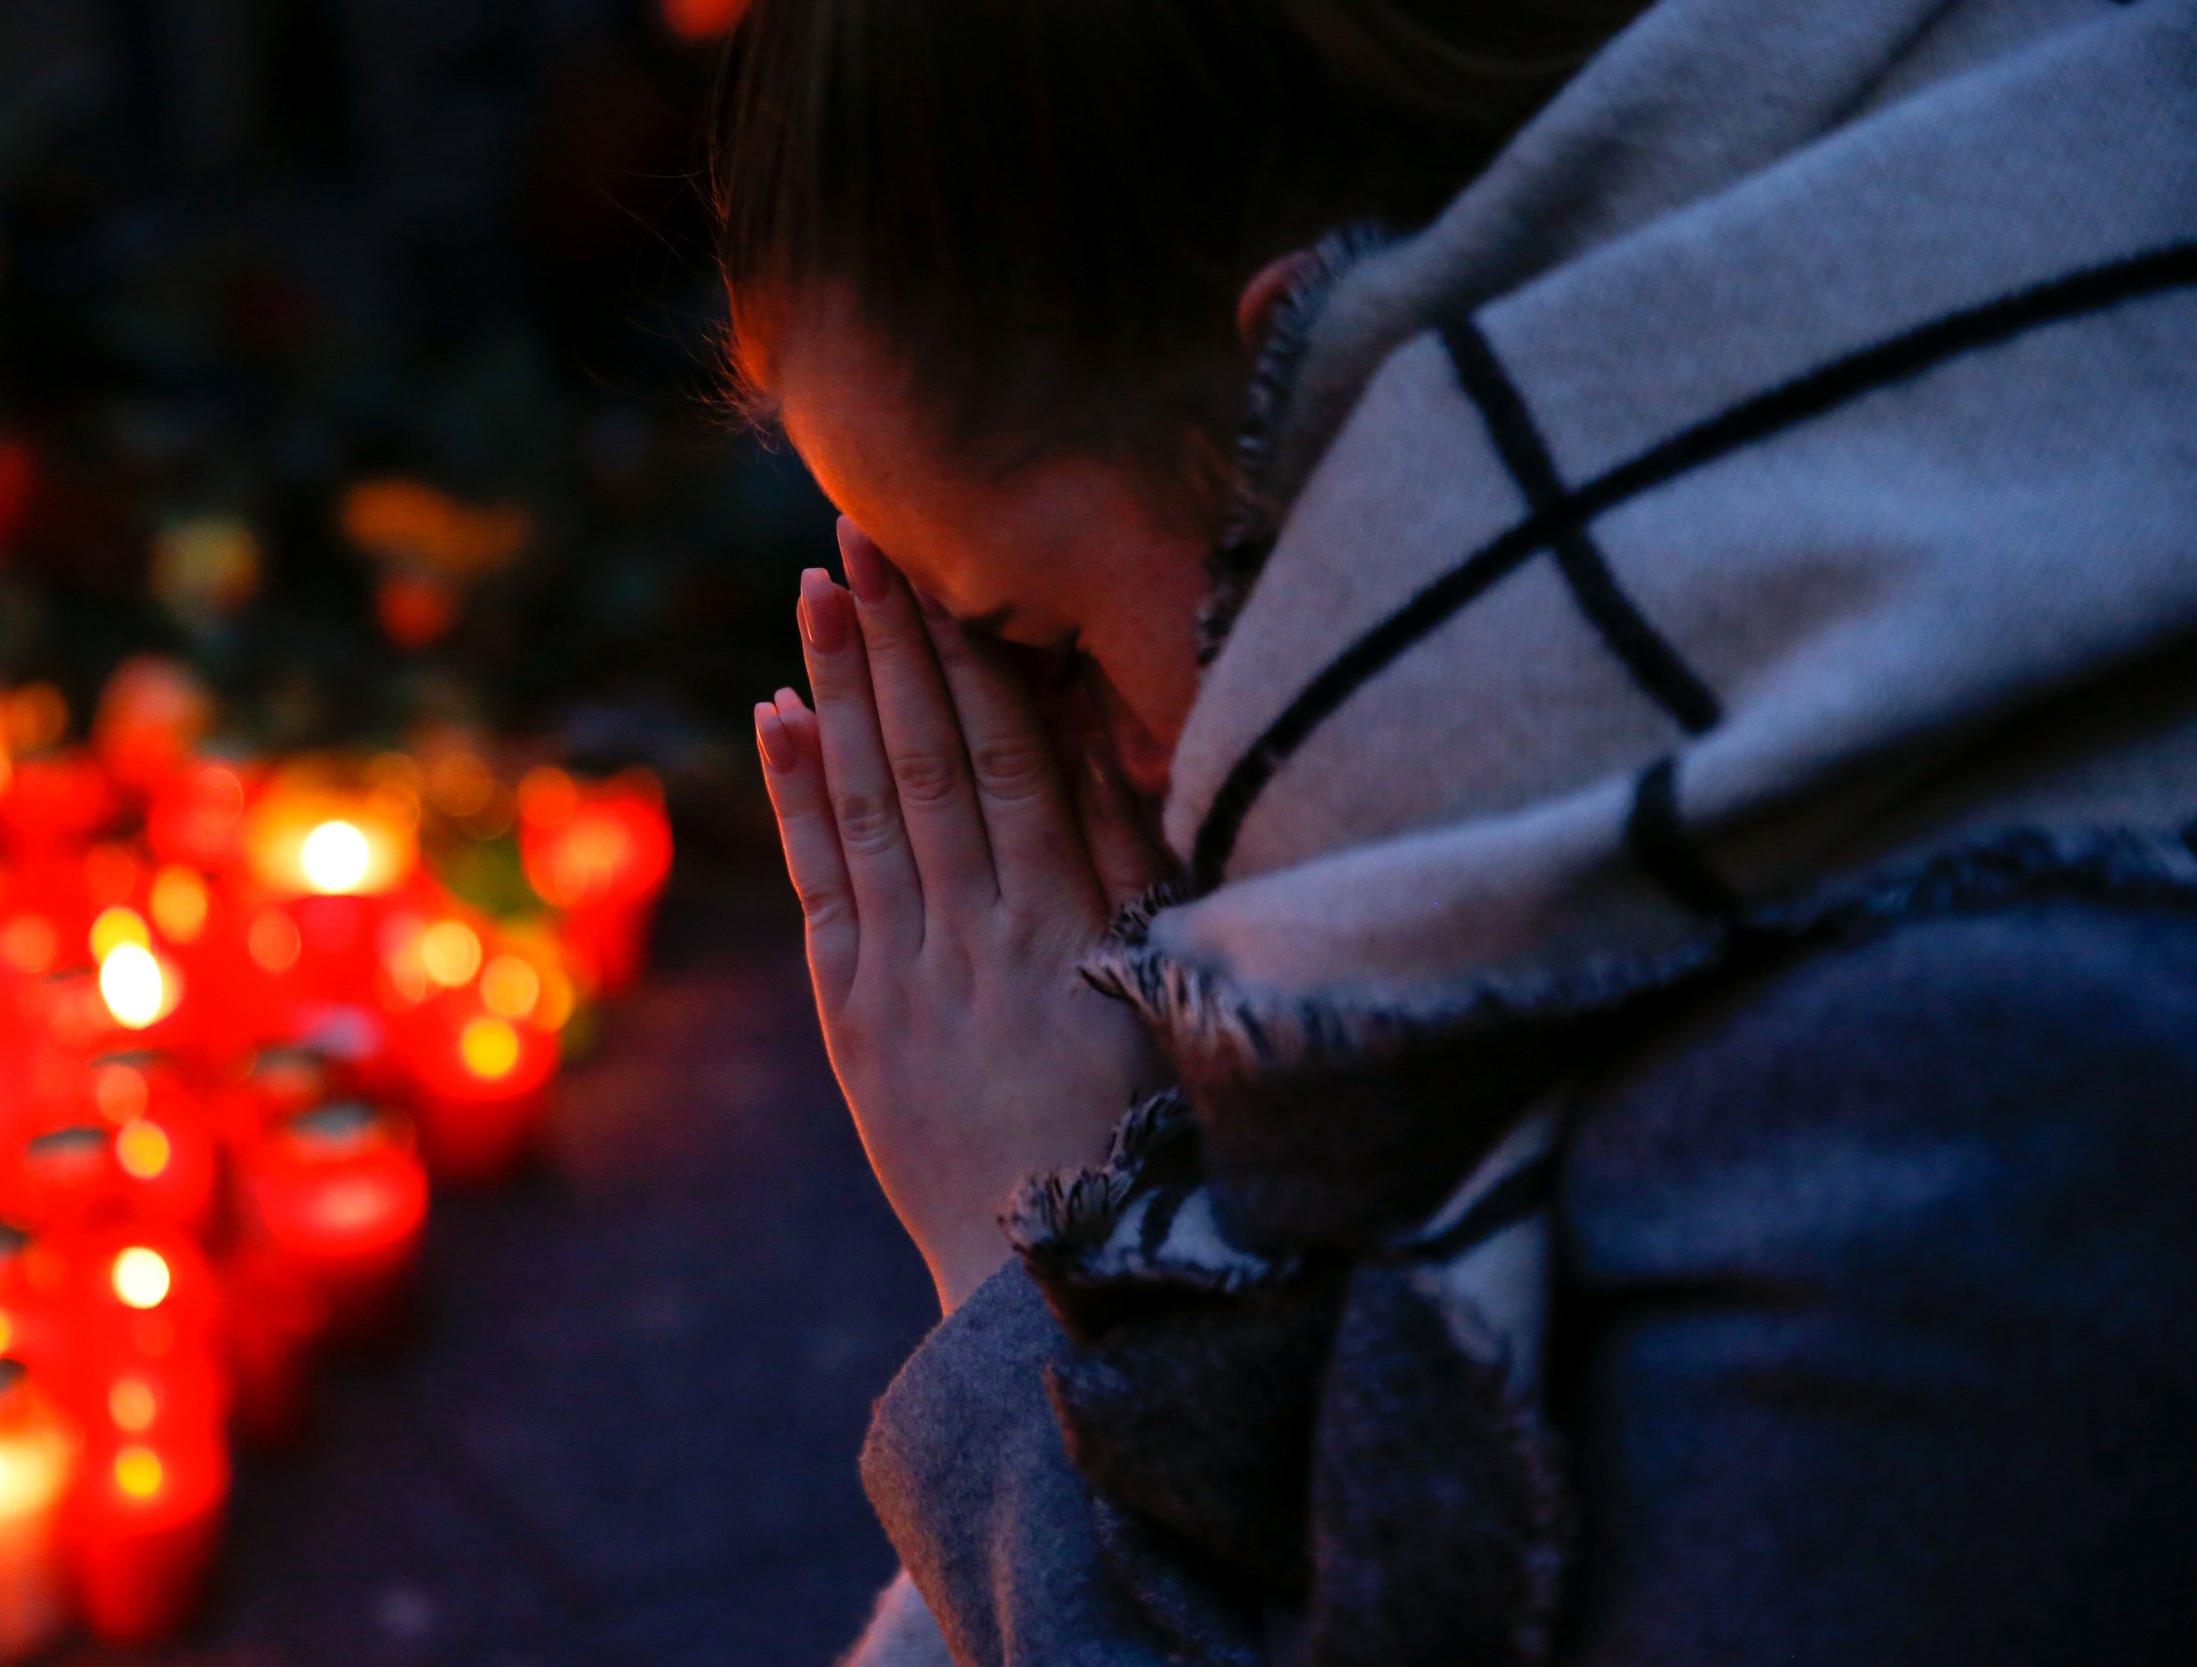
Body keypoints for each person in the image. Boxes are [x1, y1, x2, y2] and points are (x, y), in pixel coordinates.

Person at [718, 0, 2197, 1661]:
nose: (1109, 767)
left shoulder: (1949, 1118)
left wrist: (1032, 1248)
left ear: (1333, 400)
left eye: (1045, 640)